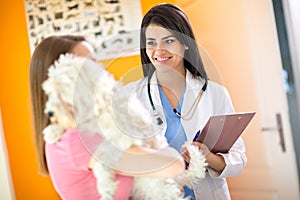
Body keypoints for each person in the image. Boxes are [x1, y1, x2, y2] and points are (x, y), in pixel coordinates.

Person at [29, 35, 185, 200]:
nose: (99, 71)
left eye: (95, 61)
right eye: (87, 66)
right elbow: (174, 165)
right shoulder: (76, 140)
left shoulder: (81, 131)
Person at [123, 3, 247, 200]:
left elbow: (239, 158)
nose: (159, 50)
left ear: (186, 42)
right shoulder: (129, 96)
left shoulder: (215, 94)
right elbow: (121, 159)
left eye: (169, 41)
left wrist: (208, 159)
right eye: (152, 42)